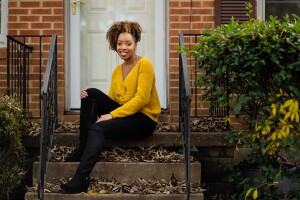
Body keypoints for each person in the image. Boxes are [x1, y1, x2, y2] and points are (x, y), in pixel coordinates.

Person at [60, 21, 161, 193]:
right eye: (119, 43)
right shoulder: (117, 71)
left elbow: (142, 99)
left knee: (98, 128)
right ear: (114, 45)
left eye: (128, 43)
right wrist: (90, 97)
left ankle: (81, 178)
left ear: (136, 44)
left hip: (144, 119)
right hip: (127, 115)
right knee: (91, 94)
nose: (123, 47)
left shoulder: (145, 65)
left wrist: (112, 115)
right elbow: (114, 98)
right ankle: (83, 147)